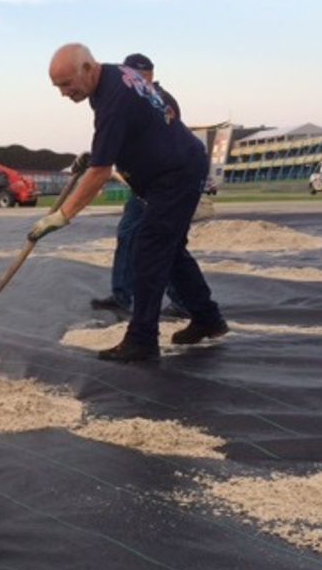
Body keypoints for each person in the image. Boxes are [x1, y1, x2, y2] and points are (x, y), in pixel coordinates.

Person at [32, 43, 227, 362]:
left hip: (175, 174)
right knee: (170, 250)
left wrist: (61, 216)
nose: (64, 93)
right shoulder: (113, 77)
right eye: (58, 87)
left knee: (148, 248)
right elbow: (133, 129)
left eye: (67, 84)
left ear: (87, 68)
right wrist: (99, 151)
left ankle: (142, 339)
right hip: (174, 167)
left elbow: (98, 175)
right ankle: (208, 318)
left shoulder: (113, 98)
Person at [91, 53, 191, 320]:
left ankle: (183, 302)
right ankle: (122, 294)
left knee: (162, 244)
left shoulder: (159, 99)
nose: (135, 79)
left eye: (141, 74)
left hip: (164, 182)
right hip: (142, 183)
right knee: (128, 234)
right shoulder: (127, 95)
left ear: (149, 75)